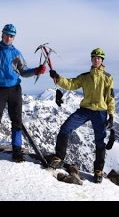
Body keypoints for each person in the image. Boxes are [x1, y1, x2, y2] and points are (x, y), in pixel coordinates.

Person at [0, 23, 46, 165]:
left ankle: (17, 150)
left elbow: (24, 71)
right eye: (7, 35)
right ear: (2, 35)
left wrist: (36, 70)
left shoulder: (16, 53)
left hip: (15, 89)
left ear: (13, 37)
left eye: (11, 36)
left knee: (17, 121)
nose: (9, 38)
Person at [48, 48, 115, 183]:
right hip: (85, 110)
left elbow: (110, 98)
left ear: (102, 61)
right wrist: (58, 78)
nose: (96, 60)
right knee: (65, 128)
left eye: (99, 58)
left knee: (100, 141)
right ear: (91, 59)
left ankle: (98, 170)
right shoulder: (85, 77)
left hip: (100, 112)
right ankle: (59, 158)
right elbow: (71, 84)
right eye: (94, 57)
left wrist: (111, 115)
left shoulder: (108, 77)